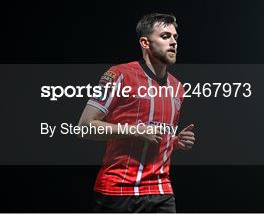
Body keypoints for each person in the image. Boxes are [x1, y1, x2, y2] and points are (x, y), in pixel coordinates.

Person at [78, 12, 195, 213]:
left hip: (161, 190)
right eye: (165, 36)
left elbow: (157, 134)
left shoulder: (178, 88)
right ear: (145, 43)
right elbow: (85, 127)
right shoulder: (119, 75)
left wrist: (174, 142)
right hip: (118, 191)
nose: (173, 42)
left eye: (175, 37)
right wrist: (134, 131)